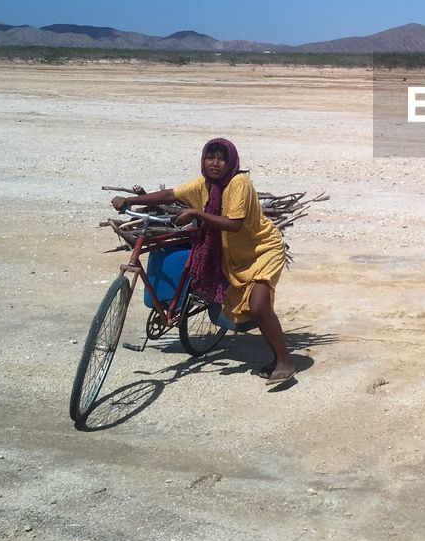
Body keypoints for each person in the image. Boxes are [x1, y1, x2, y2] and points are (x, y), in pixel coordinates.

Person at [111, 138, 294, 385]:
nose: (215, 164)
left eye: (221, 159)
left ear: (231, 162)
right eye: (210, 158)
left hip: (262, 249)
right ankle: (273, 356)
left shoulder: (239, 182)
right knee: (247, 304)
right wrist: (130, 201)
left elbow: (235, 223)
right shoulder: (203, 186)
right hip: (234, 254)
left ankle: (284, 361)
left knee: (259, 305)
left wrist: (197, 213)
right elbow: (169, 194)